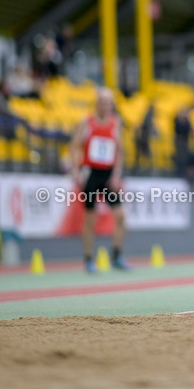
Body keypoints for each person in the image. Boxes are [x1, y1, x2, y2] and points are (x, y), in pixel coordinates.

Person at [70, 87, 130, 272]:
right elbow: (74, 146)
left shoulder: (115, 123)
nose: (106, 106)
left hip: (108, 176)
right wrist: (75, 171)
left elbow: (119, 150)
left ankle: (117, 255)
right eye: (103, 102)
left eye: (109, 103)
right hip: (91, 174)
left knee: (120, 217)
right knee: (90, 219)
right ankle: (89, 259)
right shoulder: (86, 122)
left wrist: (116, 174)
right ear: (97, 104)